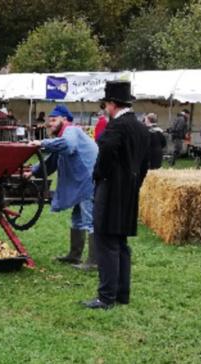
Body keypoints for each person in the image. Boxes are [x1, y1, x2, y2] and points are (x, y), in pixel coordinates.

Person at [82, 81, 150, 310]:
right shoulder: (141, 128)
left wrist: (99, 175)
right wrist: (134, 183)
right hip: (129, 191)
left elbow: (107, 151)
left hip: (111, 190)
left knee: (106, 242)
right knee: (120, 243)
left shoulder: (116, 127)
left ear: (111, 104)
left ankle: (106, 296)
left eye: (106, 105)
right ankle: (122, 293)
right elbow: (147, 162)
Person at [28, 104, 98, 271]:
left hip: (88, 181)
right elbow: (52, 161)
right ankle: (74, 255)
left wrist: (42, 142)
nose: (49, 123)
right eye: (49, 120)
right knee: (77, 219)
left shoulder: (71, 131)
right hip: (81, 181)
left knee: (89, 220)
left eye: (53, 120)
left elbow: (67, 145)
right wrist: (31, 171)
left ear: (65, 120)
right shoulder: (63, 135)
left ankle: (94, 261)